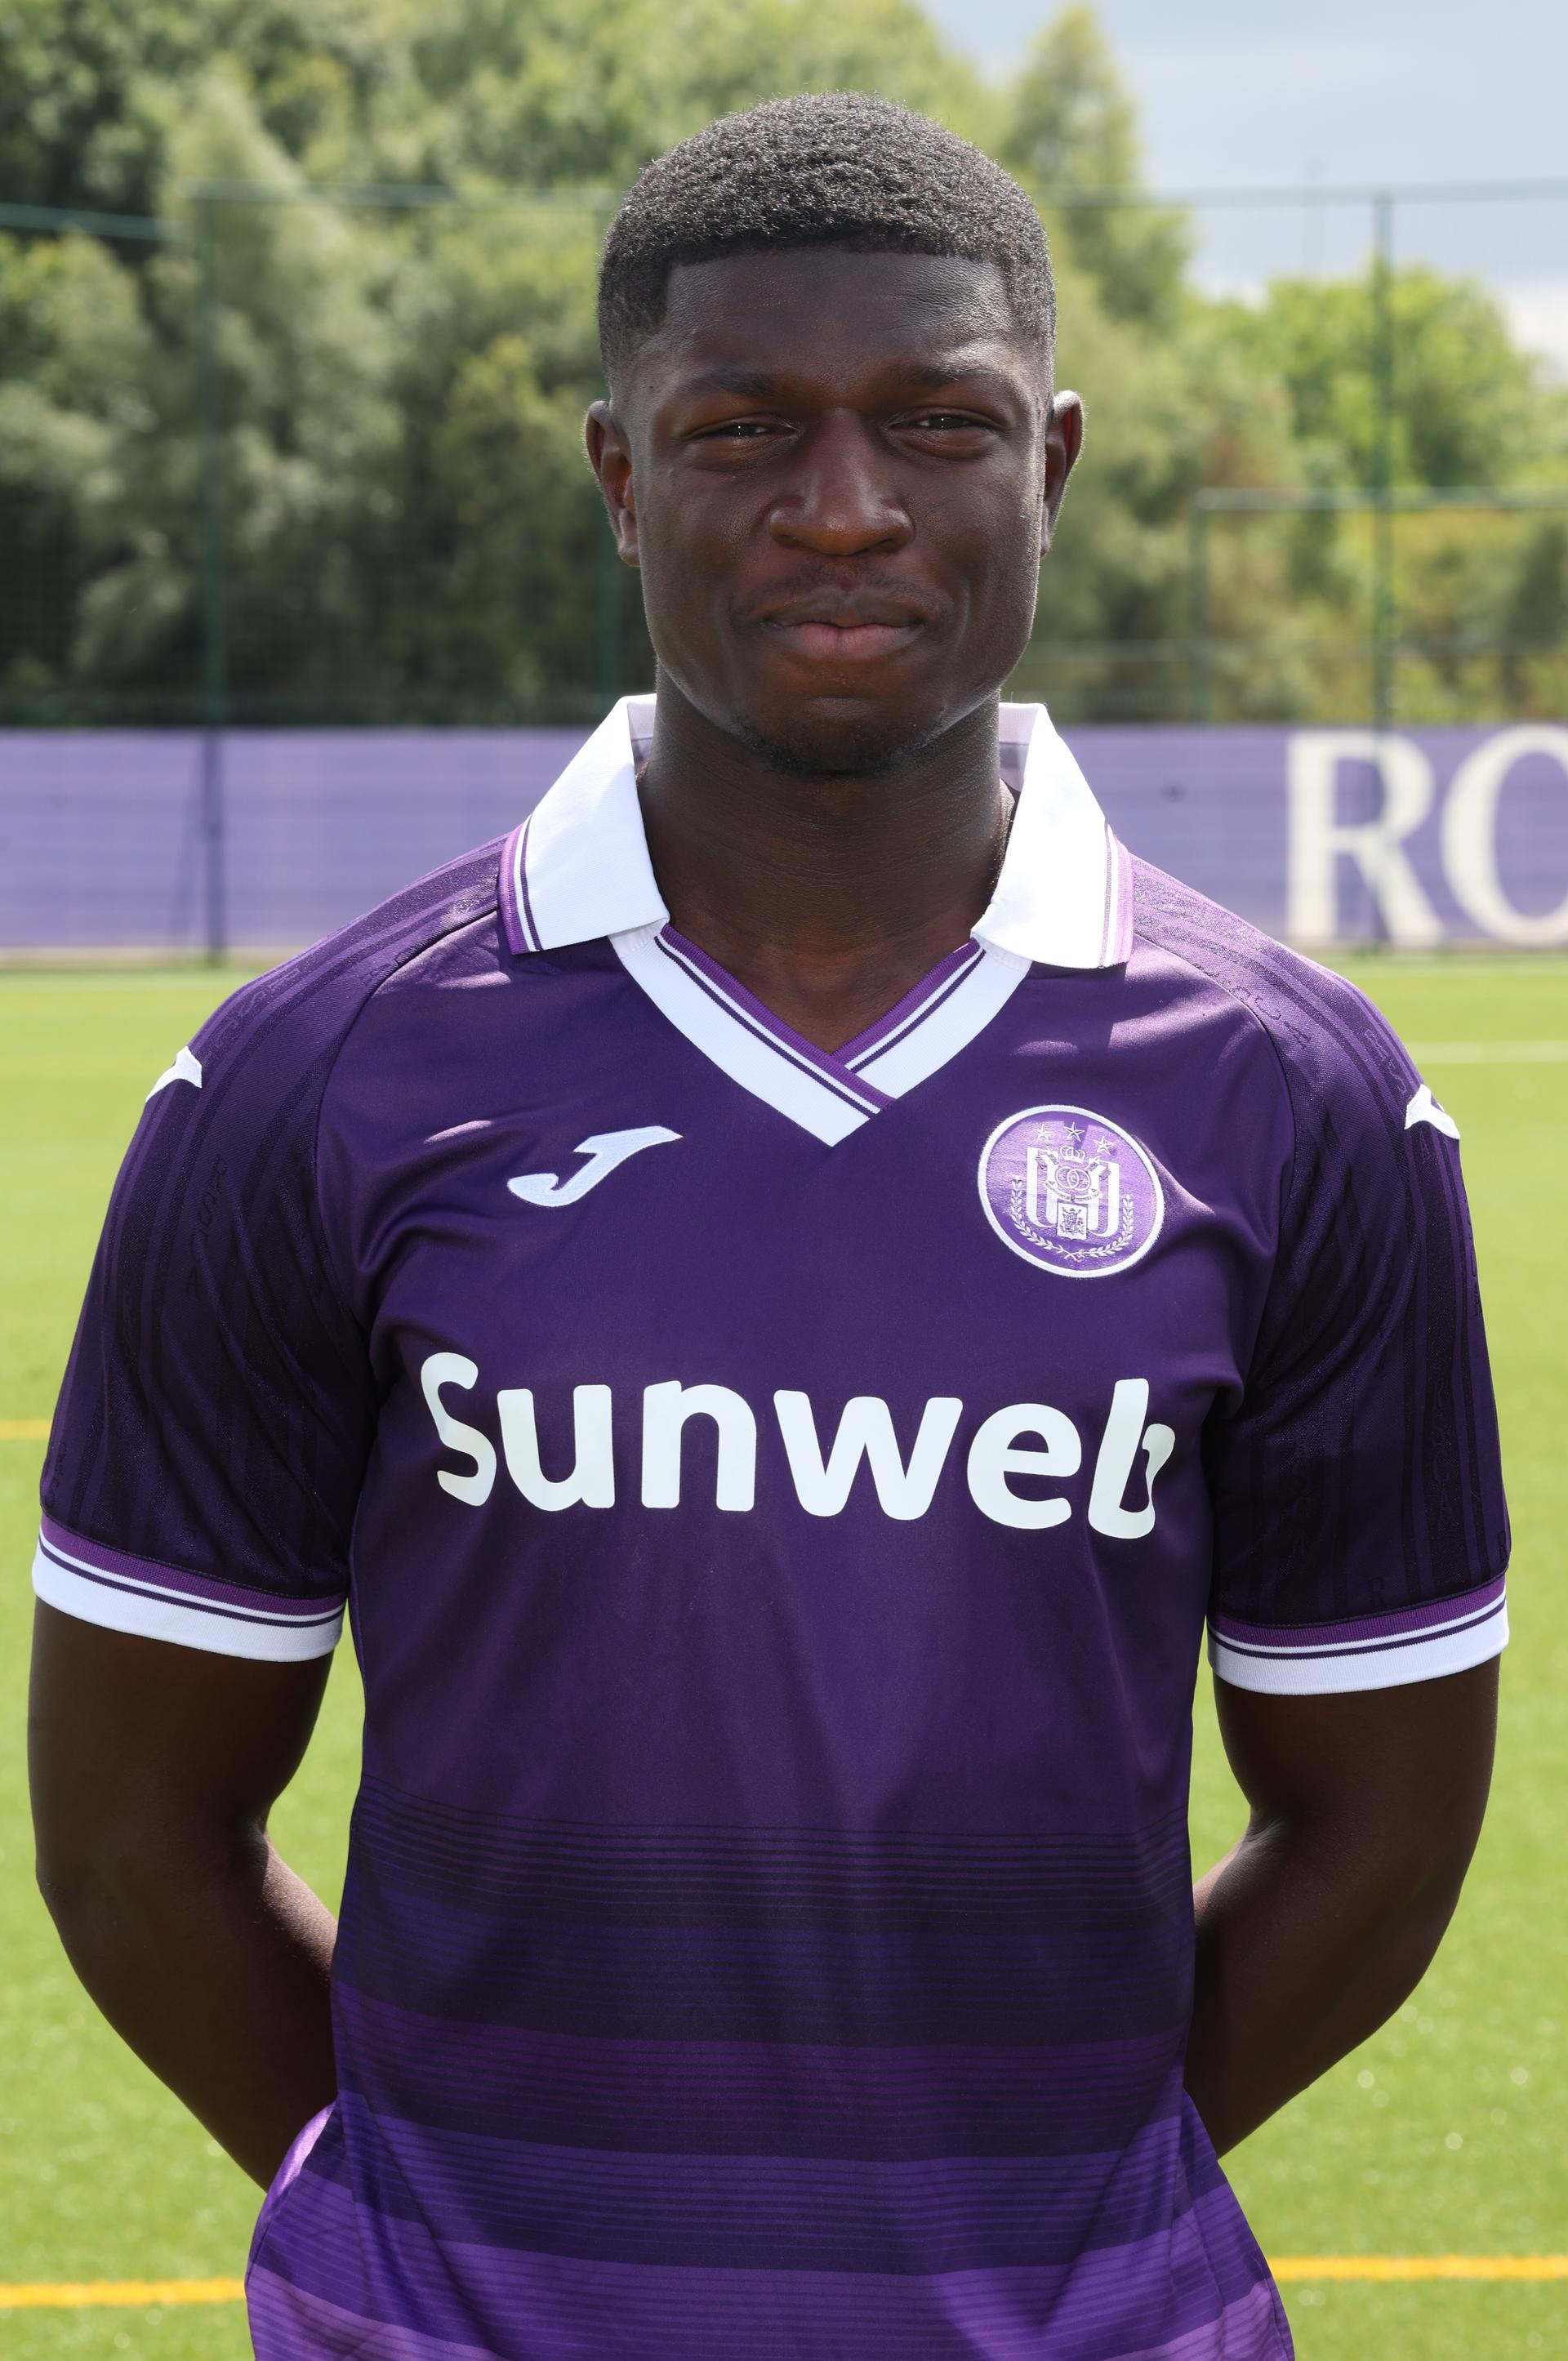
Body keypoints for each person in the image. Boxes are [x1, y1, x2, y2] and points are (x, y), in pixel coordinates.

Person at [29, 94, 1508, 2361]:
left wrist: (1044, 2217)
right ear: (618, 468)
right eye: (744, 430)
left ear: (1058, 459)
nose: (847, 507)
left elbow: (1383, 1829)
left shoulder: (1306, 1105)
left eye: (939, 423)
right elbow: (135, 1832)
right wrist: (440, 2226)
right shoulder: (307, 1085)